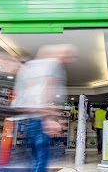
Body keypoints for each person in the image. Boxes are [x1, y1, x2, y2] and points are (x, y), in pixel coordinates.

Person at [11, 44, 77, 172]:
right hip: (39, 118)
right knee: (41, 157)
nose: (67, 59)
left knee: (33, 156)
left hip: (28, 117)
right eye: (66, 55)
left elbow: (21, 93)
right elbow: (47, 90)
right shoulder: (52, 65)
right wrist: (50, 117)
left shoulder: (29, 67)